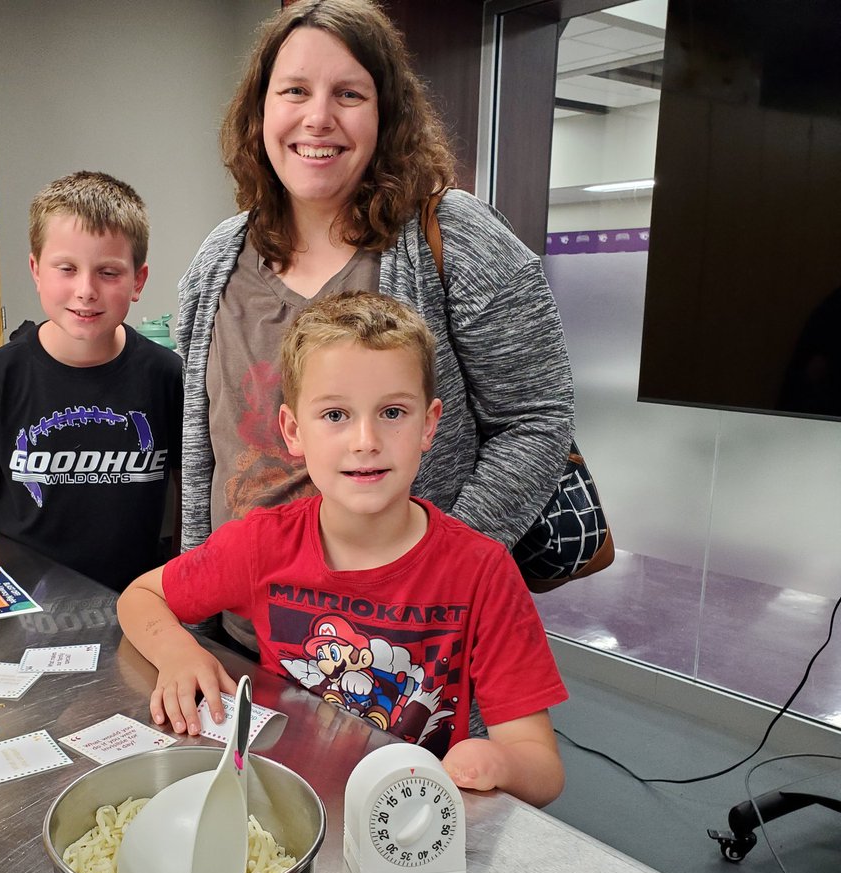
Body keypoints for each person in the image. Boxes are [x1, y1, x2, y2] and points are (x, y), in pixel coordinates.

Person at [177, 0, 575, 655]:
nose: (318, 117)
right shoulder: (217, 259)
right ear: (260, 111)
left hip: (401, 653)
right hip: (242, 643)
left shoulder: (456, 239)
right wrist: (192, 627)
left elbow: (536, 419)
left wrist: (436, 576)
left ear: (386, 113)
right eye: (294, 91)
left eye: (349, 94)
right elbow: (205, 451)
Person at [119, 291, 567, 807]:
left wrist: (498, 762)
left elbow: (542, 768)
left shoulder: (483, 572)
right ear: (293, 431)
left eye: (392, 412)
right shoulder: (262, 543)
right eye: (335, 415)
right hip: (285, 807)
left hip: (410, 819)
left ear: (428, 425)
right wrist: (177, 652)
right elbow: (140, 597)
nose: (365, 440)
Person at [0, 171, 182, 592]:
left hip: (140, 603)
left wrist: (179, 592)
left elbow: (190, 499)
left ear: (138, 280)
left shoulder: (169, 378)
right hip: (25, 607)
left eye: (108, 272)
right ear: (36, 270)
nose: (86, 290)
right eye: (67, 269)